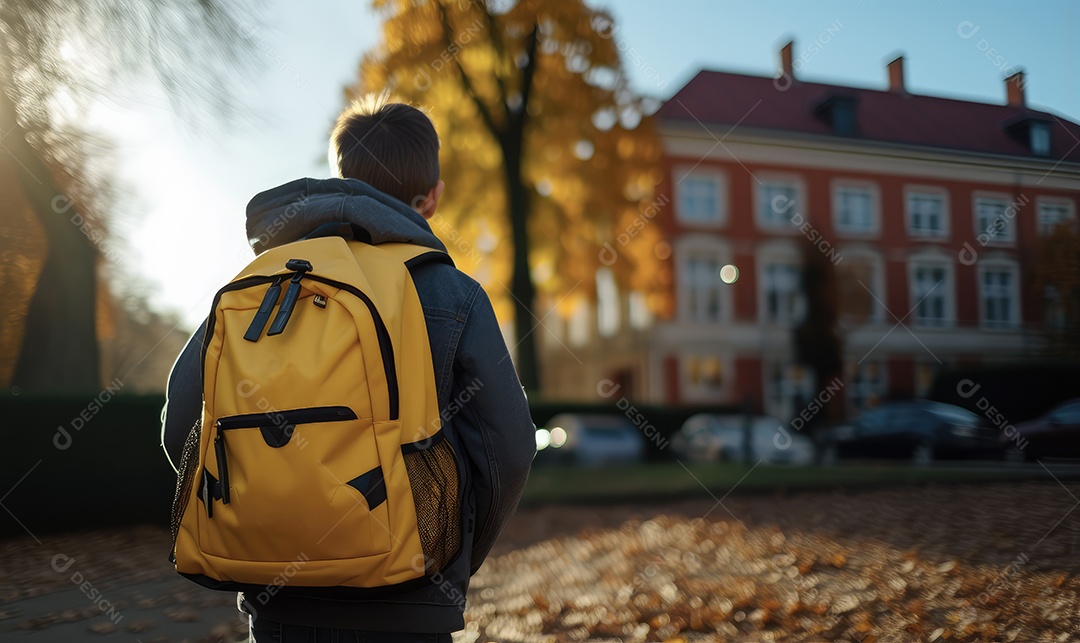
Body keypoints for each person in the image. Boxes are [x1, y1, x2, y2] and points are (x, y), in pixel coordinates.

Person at [160, 99, 536, 642]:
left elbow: (183, 424)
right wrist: (446, 546)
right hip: (411, 600)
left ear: (343, 181)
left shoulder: (253, 285)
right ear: (431, 197)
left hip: (278, 604)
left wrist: (265, 511)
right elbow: (510, 448)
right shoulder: (451, 292)